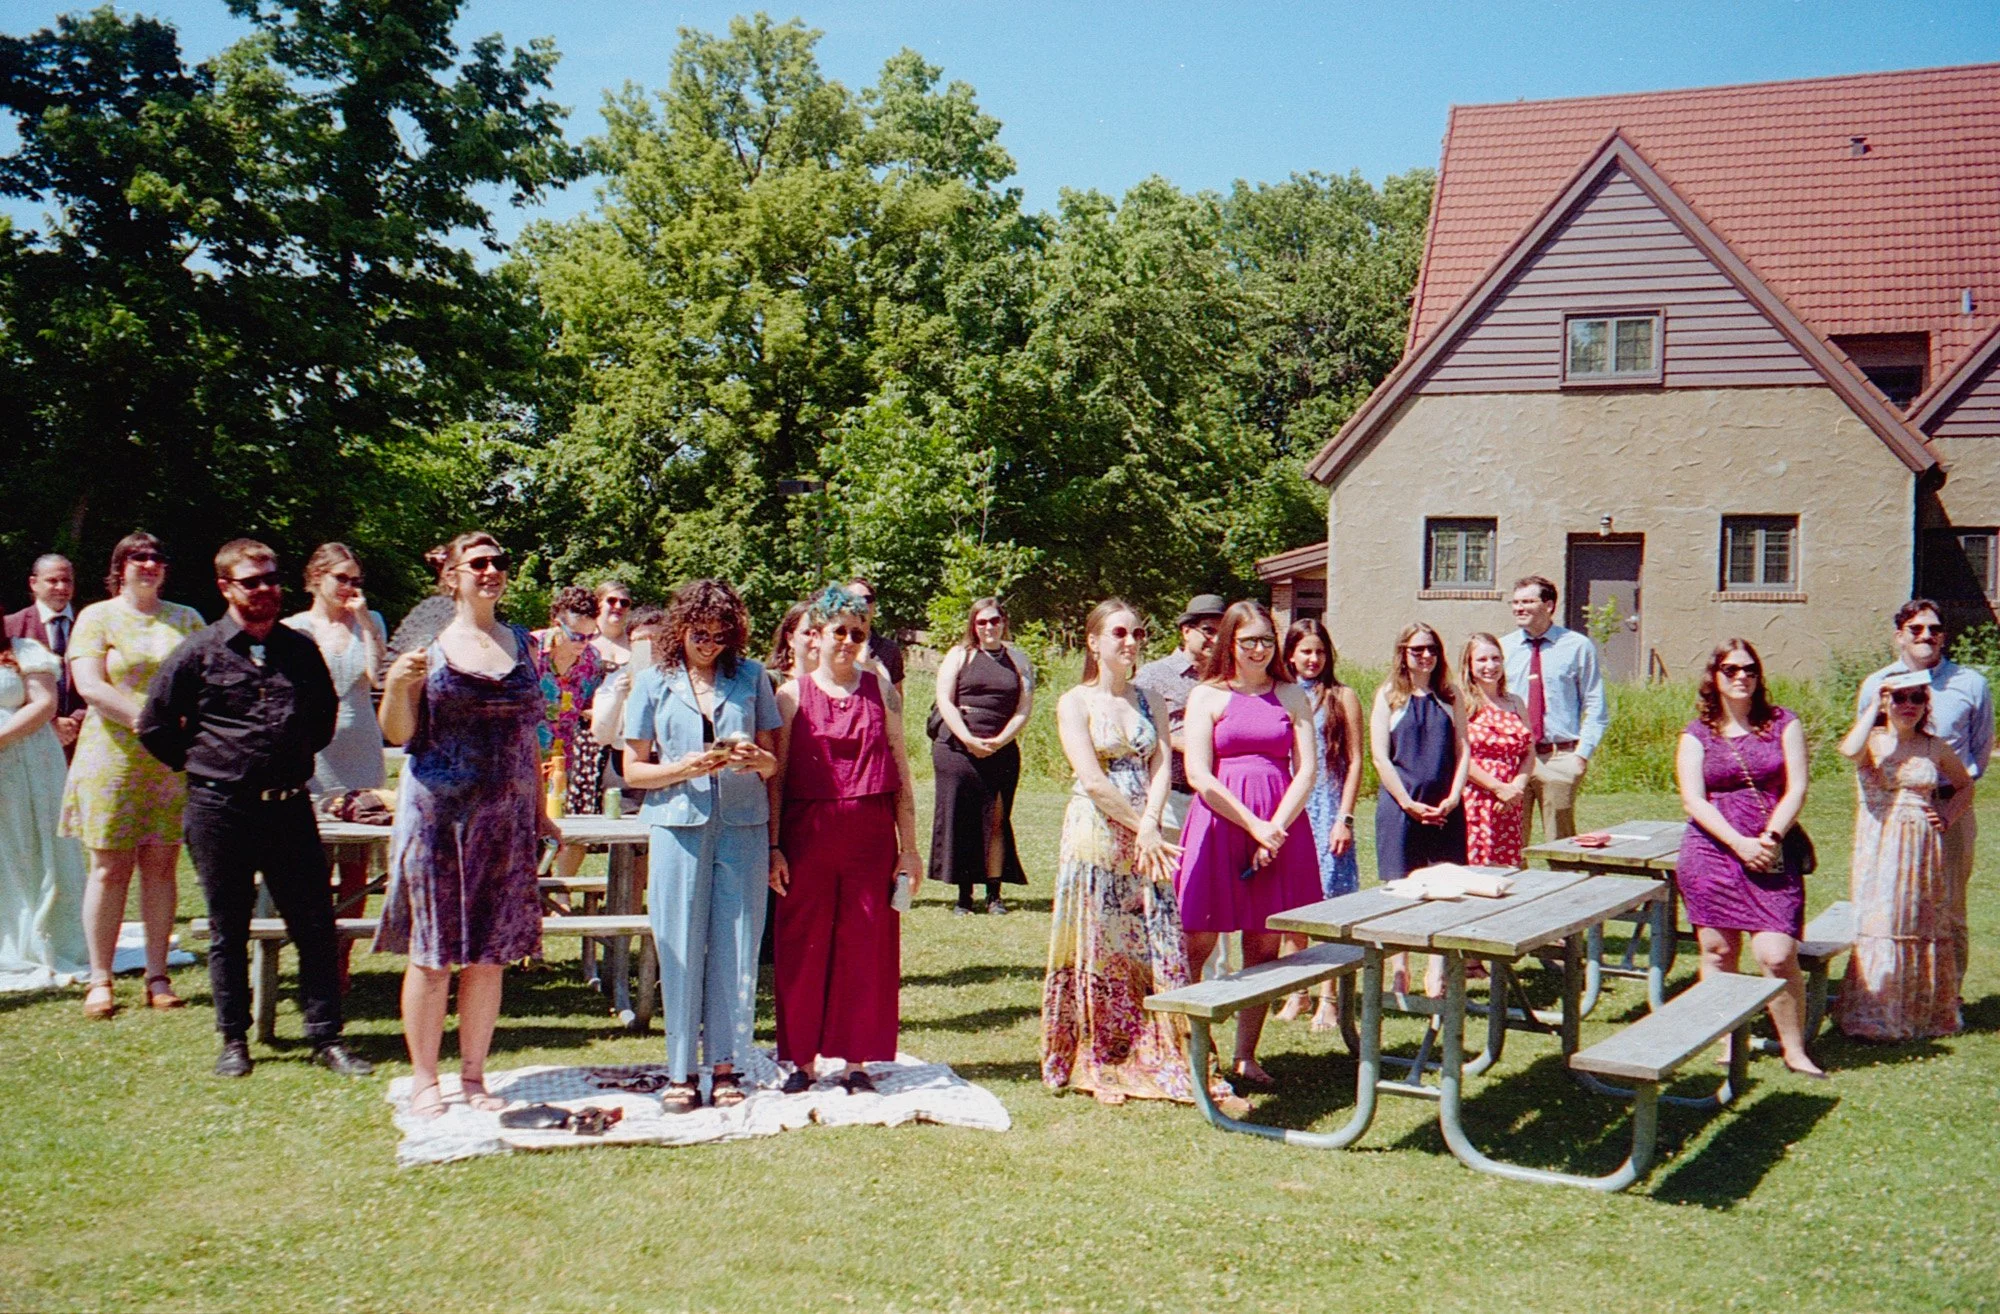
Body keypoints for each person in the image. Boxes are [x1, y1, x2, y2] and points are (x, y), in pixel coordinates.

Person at [137, 540, 370, 1078]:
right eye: (252, 581)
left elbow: (322, 719)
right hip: (221, 810)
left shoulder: (299, 649)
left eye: (271, 579)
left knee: (313, 922)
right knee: (229, 926)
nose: (266, 589)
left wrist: (285, 759)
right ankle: (234, 1039)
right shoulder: (198, 652)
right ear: (226, 587)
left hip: (289, 808)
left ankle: (325, 1036)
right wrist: (206, 766)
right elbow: (153, 725)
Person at [376, 533, 558, 1117]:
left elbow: (529, 734)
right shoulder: (429, 647)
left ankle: (475, 1076)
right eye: (477, 563)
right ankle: (426, 1078)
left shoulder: (525, 645)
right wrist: (402, 686)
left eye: (500, 561)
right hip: (438, 817)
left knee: (490, 953)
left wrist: (539, 814)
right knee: (433, 954)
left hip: (505, 819)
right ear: (450, 576)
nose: (491, 570)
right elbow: (398, 733)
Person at [1041, 598, 1221, 1108]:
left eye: (1138, 634)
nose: (1130, 643)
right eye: (1119, 633)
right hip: (1097, 833)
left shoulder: (1150, 700)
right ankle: (1101, 1058)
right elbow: (1093, 781)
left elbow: (1163, 764)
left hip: (1149, 833)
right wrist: (1140, 825)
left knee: (1151, 940)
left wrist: (1150, 823)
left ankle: (1155, 1046)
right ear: (1094, 641)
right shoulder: (1075, 702)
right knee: (1101, 944)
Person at [622, 579, 782, 1112]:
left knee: (737, 946)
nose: (710, 643)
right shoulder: (651, 682)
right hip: (676, 825)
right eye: (700, 633)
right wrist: (683, 767)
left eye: (720, 635)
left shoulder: (753, 677)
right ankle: (679, 1071)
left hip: (742, 825)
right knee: (680, 945)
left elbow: (773, 762)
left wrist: (753, 761)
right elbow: (633, 771)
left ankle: (726, 1063)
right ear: (680, 629)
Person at [770, 585, 922, 1094]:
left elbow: (901, 769)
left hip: (870, 833)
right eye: (840, 632)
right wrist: (773, 846)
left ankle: (858, 1061)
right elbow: (778, 775)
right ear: (818, 634)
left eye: (858, 634)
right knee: (803, 948)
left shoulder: (882, 691)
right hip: (807, 834)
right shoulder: (791, 695)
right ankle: (803, 1061)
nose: (849, 642)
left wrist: (910, 847)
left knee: (866, 944)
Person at [1174, 601, 1320, 1086]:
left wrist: (1275, 827)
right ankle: (1196, 1045)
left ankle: (1246, 1054)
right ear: (1229, 644)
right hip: (1221, 824)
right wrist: (1254, 826)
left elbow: (1307, 770)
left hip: (1282, 826)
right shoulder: (1207, 696)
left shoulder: (1292, 695)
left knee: (1263, 942)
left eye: (1265, 640)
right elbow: (1198, 773)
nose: (1258, 650)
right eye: (1248, 641)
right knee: (1199, 938)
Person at [60, 533, 205, 1019]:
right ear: (119, 566)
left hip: (168, 761)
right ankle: (100, 978)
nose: (149, 565)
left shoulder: (186, 618)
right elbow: (90, 685)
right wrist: (149, 722)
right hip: (112, 756)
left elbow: (205, 679)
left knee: (161, 866)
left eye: (157, 558)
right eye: (138, 557)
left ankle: (157, 976)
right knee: (109, 867)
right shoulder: (96, 617)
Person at [1672, 640, 1824, 1077]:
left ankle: (1793, 1048)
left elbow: (1796, 787)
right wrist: (1739, 843)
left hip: (1773, 846)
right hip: (1713, 849)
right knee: (1718, 950)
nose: (1741, 677)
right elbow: (1693, 801)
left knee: (1776, 954)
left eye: (1750, 669)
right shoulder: (1696, 734)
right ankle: (1725, 1038)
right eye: (1731, 669)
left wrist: (1771, 836)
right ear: (1714, 677)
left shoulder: (1782, 723)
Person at [1854, 599, 1991, 1005]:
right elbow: (1863, 750)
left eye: (1933, 629)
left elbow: (1978, 754)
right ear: (1900, 635)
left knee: (1949, 907)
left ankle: (1948, 998)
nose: (1926, 636)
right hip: (1890, 813)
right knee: (1888, 904)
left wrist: (1949, 812)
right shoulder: (1877, 685)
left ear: (1943, 636)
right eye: (1916, 629)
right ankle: (1889, 995)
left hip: (1948, 808)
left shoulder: (1970, 684)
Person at [1835, 670, 1971, 1041]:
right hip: (1881, 842)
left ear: (1926, 703)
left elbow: (1964, 786)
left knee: (1919, 920)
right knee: (1884, 919)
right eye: (1900, 698)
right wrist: (1875, 707)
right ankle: (1875, 1013)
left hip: (1923, 846)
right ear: (1886, 702)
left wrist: (1946, 815)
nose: (1908, 705)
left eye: (1917, 698)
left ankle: (1922, 1013)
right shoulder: (1874, 742)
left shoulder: (1934, 747)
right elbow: (1848, 751)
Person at [282, 543, 387, 991]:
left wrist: (364, 621)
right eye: (340, 579)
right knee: (312, 860)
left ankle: (341, 959)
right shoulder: (294, 628)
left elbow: (378, 676)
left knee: (357, 862)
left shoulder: (371, 622)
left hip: (361, 743)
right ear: (316, 579)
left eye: (355, 580)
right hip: (312, 750)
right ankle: (315, 954)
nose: (349, 587)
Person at [1371, 622, 1469, 996]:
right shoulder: (1389, 697)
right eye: (1417, 650)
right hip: (1401, 808)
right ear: (1403, 653)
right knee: (1401, 888)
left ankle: (1436, 970)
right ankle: (1400, 969)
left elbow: (1463, 748)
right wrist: (1407, 803)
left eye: (1431, 649)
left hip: (1444, 808)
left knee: (1445, 887)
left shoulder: (1450, 695)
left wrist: (1455, 795)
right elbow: (1381, 757)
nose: (1425, 656)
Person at [1274, 618, 1362, 1031]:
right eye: (1305, 651)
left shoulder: (1342, 697)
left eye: (1319, 652)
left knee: (1329, 904)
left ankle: (1330, 997)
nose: (1312, 659)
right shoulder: (1280, 696)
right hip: (1292, 808)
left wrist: (1344, 818)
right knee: (1293, 904)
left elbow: (1357, 761)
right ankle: (1298, 990)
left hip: (1328, 807)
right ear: (1290, 653)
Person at [928, 597, 1033, 916]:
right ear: (973, 625)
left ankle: (994, 894)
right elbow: (944, 701)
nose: (989, 627)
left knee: (998, 819)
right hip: (958, 749)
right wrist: (968, 738)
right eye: (982, 622)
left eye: (995, 621)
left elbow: (1024, 707)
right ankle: (964, 896)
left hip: (1002, 750)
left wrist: (1002, 739)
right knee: (964, 818)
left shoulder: (1018, 658)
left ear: (1004, 622)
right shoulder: (960, 655)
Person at [0, 629, 90, 988]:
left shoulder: (25, 651)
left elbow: (44, 705)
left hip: (26, 763)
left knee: (28, 845)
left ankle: (44, 935)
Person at [1499, 575, 1607, 841]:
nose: (1518, 608)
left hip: (1559, 759)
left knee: (1561, 847)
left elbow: (1596, 706)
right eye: (1515, 602)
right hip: (1514, 759)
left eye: (1527, 601)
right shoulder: (1503, 648)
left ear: (1549, 605)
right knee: (1511, 842)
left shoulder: (1577, 646)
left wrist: (1581, 756)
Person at [534, 586, 609, 885]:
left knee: (563, 830)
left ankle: (555, 892)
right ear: (556, 623)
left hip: (564, 759)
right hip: (522, 757)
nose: (583, 643)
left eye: (591, 635)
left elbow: (591, 707)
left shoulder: (592, 660)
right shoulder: (529, 650)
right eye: (577, 635)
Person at [1134, 594, 1226, 827]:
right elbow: (1133, 727)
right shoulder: (1153, 675)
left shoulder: (1229, 679)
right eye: (1208, 631)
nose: (1215, 640)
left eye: (1222, 633)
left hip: (1218, 795)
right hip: (1170, 795)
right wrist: (1178, 742)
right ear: (1186, 631)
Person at [1460, 632, 1534, 867]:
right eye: (1481, 660)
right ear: (1469, 665)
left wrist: (1515, 788)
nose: (1490, 666)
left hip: (1511, 801)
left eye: (1495, 658)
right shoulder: (1461, 702)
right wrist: (1497, 787)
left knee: (1508, 866)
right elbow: (1459, 754)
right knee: (1478, 866)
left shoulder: (1515, 702)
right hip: (1475, 798)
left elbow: (1529, 752)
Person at [5, 554, 85, 757]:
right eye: (52, 580)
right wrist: (50, 721)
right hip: (27, 743)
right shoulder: (11, 627)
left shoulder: (89, 625)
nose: (61, 587)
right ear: (34, 583)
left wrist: (75, 720)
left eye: (67, 580)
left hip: (82, 739)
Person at [845, 578, 905, 703]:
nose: (860, 604)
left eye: (866, 599)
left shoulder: (889, 650)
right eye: (853, 599)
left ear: (874, 606)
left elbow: (897, 700)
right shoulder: (833, 645)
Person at [592, 580, 635, 666]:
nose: (618, 606)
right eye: (612, 601)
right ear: (598, 603)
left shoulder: (635, 640)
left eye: (624, 603)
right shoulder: (583, 639)